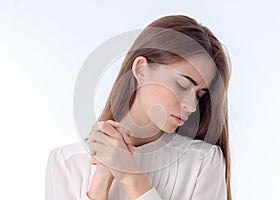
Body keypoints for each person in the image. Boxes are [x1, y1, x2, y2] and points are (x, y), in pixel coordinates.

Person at [45, 14, 232, 200]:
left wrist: (131, 176)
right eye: (182, 85)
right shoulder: (66, 161)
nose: (192, 106)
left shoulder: (203, 162)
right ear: (141, 69)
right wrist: (100, 181)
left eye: (199, 94)